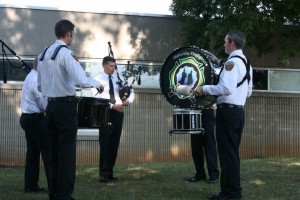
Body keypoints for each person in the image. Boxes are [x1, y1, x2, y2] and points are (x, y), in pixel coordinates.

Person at [37, 19, 104, 200]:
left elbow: (40, 86)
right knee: (66, 153)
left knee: (52, 153)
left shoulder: (43, 54)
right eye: (72, 33)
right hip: (65, 107)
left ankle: (54, 193)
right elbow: (81, 79)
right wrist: (98, 84)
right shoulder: (65, 53)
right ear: (68, 33)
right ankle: (64, 195)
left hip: (50, 106)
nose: (72, 36)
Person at [195, 30, 253, 200]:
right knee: (232, 153)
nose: (224, 44)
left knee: (227, 154)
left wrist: (204, 89)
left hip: (228, 113)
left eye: (225, 41)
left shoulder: (231, 63)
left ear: (232, 43)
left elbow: (226, 88)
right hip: (238, 112)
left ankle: (229, 194)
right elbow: (248, 91)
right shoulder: (247, 63)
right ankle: (233, 191)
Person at [92, 56, 135, 183]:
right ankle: (103, 173)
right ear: (104, 65)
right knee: (105, 143)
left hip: (118, 113)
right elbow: (95, 98)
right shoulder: (97, 80)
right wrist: (112, 106)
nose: (113, 68)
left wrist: (128, 100)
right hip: (105, 113)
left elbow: (132, 91)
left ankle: (110, 172)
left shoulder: (118, 79)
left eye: (114, 66)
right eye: (111, 65)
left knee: (114, 143)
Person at [20, 57, 50, 193]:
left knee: (32, 152)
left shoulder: (30, 76)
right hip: (35, 119)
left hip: (27, 118)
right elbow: (44, 106)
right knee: (48, 152)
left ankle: (30, 185)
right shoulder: (36, 80)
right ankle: (55, 187)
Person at [188, 107, 219, 184]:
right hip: (194, 112)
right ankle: (200, 173)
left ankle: (213, 175)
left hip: (207, 112)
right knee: (195, 145)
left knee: (209, 145)